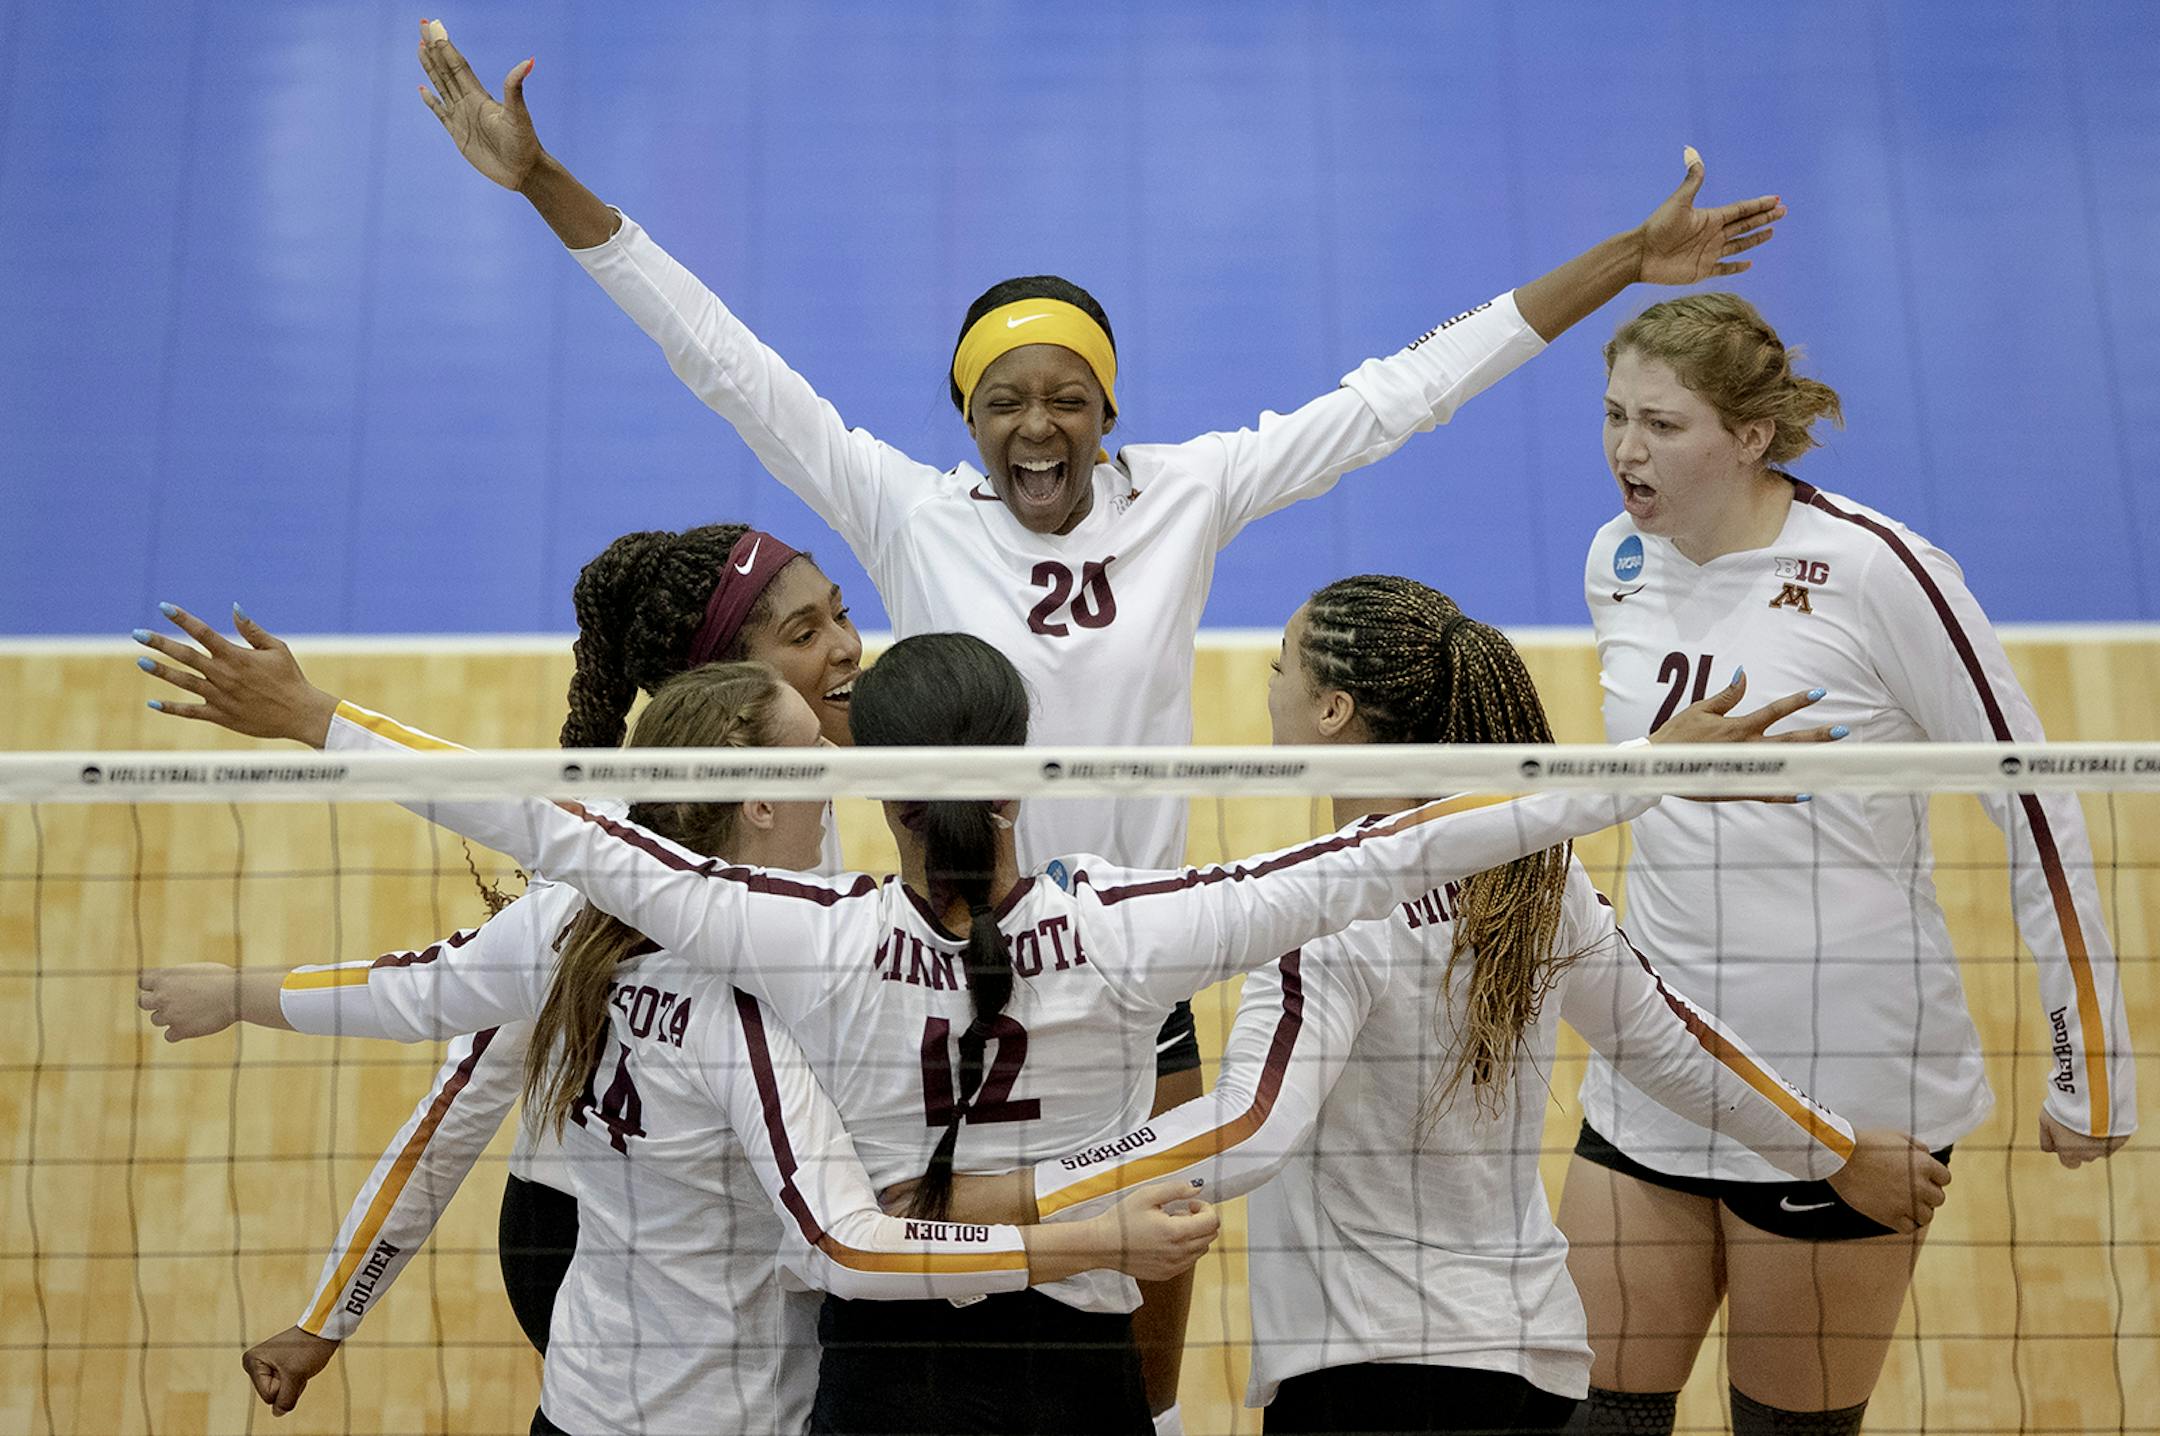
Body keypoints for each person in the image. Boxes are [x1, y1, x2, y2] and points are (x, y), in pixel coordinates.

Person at [413, 21, 1787, 1417]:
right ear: (967, 415)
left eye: (1066, 396)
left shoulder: (1187, 494)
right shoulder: (899, 505)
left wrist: (1625, 257)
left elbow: (1403, 397)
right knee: (896, 1268)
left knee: (1129, 1319)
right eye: (1004, 399)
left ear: (1107, 407)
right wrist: (544, 183)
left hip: (1127, 960)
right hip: (921, 962)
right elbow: (720, 356)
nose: (1036, 424)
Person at [134, 599, 1817, 1434]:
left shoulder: (796, 939)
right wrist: (1634, 775)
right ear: (1019, 762)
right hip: (1074, 1366)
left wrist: (321, 720)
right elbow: (1390, 857)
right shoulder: (1133, 929)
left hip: (876, 1374)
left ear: (868, 777)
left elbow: (558, 827)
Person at [893, 575, 1947, 1436]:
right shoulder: (1541, 876)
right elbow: (1672, 1048)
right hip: (1530, 1359)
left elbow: (1249, 1129)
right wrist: (1835, 1148)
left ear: (1334, 711)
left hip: (1369, 1375)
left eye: (1280, 672)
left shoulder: (1322, 916)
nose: (1268, 691)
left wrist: (1018, 1191)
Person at [140, 660, 1218, 1435]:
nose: (840, 769)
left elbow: (413, 993)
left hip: (584, 1398)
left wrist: (239, 990)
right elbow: (857, 1233)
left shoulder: (569, 929)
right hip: (749, 1405)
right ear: (762, 796)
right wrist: (1095, 1226)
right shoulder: (772, 985)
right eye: (817, 757)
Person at [1557, 293, 2138, 1435]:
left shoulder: (1879, 572)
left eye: (1665, 424)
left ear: (1752, 436)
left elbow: (2033, 799)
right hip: (1664, 1062)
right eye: (1616, 414)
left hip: (1849, 1081)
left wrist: (2092, 1054)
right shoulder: (1617, 559)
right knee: (1593, 1420)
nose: (1628, 448)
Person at [132, 522, 860, 1396]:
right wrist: (331, 1312)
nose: (852, 648)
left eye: (842, 614)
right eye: (806, 632)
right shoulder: (603, 887)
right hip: (585, 1230)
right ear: (728, 687)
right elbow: (458, 1092)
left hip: (717, 1216)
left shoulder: (795, 799)